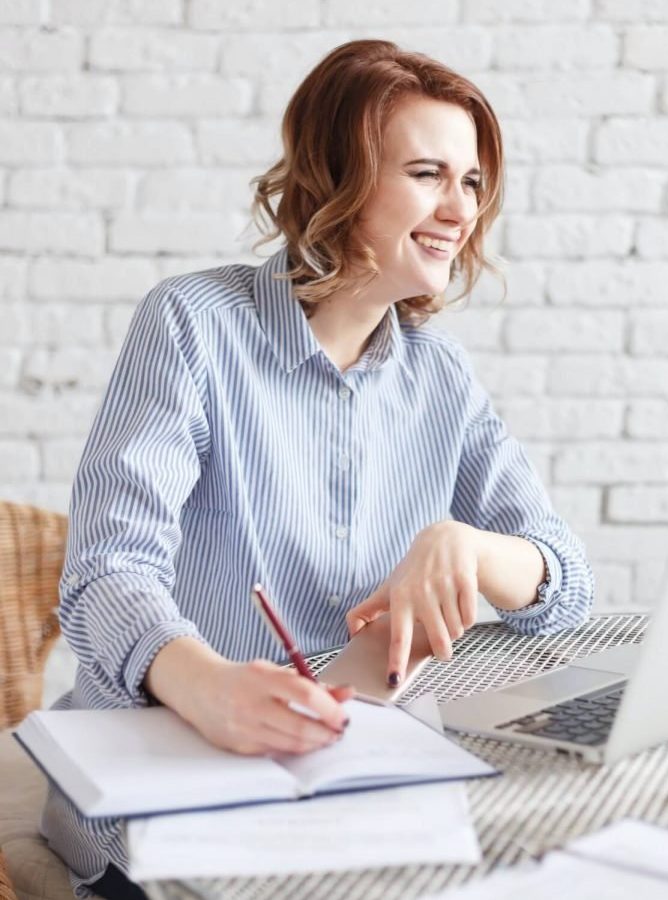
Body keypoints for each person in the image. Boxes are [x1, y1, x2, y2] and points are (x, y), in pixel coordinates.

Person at [41, 39, 594, 899]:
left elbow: (565, 583)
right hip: (167, 788)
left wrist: (470, 548)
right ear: (339, 178)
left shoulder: (439, 375)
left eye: (472, 182)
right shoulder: (192, 325)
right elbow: (105, 574)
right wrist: (208, 687)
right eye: (427, 174)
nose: (461, 209)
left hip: (350, 781)